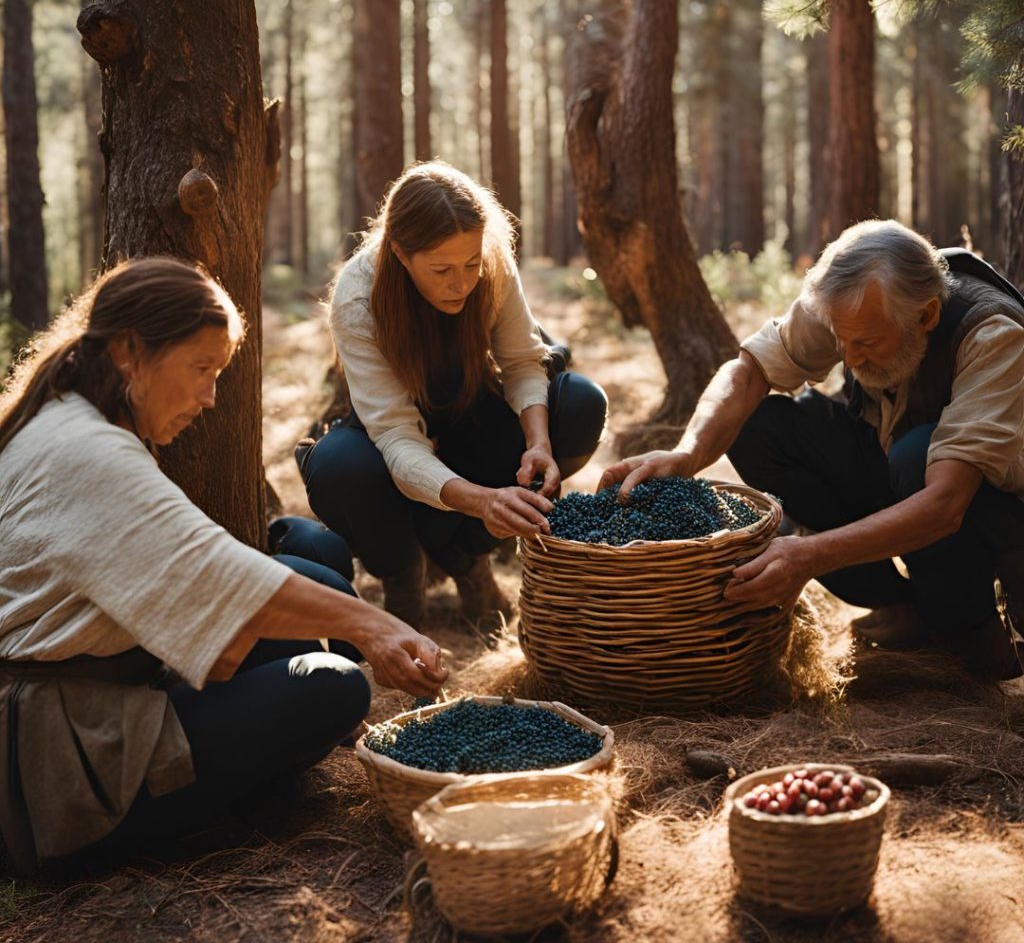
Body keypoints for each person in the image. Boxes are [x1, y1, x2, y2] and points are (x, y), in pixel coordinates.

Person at [0, 257, 447, 876]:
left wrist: (354, 620)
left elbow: (213, 579)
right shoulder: (90, 452)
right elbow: (218, 574)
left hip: (93, 696)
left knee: (312, 576)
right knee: (336, 687)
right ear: (131, 353)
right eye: (201, 369)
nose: (211, 397)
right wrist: (375, 626)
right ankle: (196, 809)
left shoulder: (67, 415)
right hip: (62, 763)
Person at [602, 219, 1024, 681]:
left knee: (916, 455)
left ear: (925, 317)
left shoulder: (992, 335)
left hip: (979, 509)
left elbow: (945, 505)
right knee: (757, 424)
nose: (848, 356)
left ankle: (971, 629)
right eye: (841, 340)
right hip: (890, 461)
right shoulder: (849, 306)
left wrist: (808, 556)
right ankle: (906, 609)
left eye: (865, 343)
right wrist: (687, 454)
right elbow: (746, 373)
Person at [297, 161, 608, 629]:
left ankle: (468, 560)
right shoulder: (358, 296)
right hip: (388, 444)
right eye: (441, 269)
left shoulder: (492, 262)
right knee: (338, 467)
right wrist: (482, 502)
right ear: (400, 252)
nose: (461, 282)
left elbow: (524, 361)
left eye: (470, 264)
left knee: (580, 401)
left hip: (468, 413)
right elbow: (397, 436)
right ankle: (404, 578)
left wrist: (538, 444)